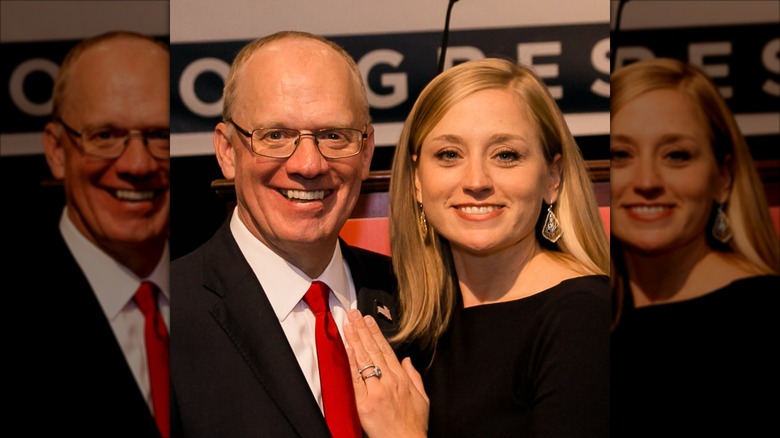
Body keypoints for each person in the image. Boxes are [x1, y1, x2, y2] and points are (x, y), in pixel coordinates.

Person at [343, 57, 611, 437]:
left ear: (553, 177)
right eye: (449, 155)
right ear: (417, 180)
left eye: (506, 155)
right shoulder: (407, 316)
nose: (476, 180)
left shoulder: (587, 317)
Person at [170, 31, 399, 438]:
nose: (308, 164)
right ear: (226, 151)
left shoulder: (414, 299)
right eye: (275, 135)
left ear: (366, 154)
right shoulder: (162, 321)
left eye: (333, 135)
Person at [7, 31, 171, 437]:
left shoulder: (229, 288)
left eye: (159, 136)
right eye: (105, 137)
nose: (137, 164)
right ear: (57, 152)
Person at [609, 57, 780, 437]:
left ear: (722, 177)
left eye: (677, 155)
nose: (647, 180)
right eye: (621, 154)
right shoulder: (582, 313)